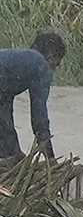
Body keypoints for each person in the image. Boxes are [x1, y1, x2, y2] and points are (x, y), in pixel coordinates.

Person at [0, 33, 66, 164]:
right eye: (57, 62)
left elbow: (4, 111)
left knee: (11, 153)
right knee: (12, 157)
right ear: (52, 57)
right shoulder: (41, 66)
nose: (56, 67)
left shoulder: (18, 62)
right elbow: (39, 116)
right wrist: (50, 156)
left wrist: (13, 151)